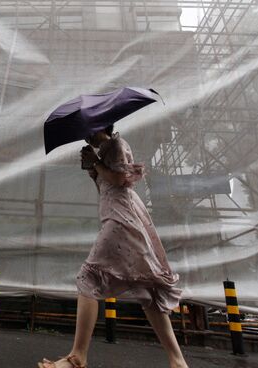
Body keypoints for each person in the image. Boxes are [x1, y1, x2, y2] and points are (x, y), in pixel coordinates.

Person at [38, 126, 188, 368]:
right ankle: (177, 361)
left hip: (120, 219)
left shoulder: (115, 146)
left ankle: (77, 358)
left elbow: (119, 180)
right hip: (120, 214)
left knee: (88, 277)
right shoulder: (108, 148)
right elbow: (107, 186)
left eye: (86, 129)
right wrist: (92, 165)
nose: (84, 133)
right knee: (146, 289)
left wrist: (96, 163)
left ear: (99, 127)